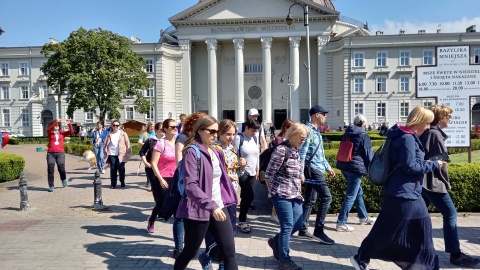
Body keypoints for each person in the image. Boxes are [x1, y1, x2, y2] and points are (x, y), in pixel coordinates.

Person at [351, 106, 447, 270]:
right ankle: (361, 257)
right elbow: (410, 167)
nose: (428, 127)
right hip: (402, 194)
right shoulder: (406, 138)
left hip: (409, 192)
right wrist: (433, 165)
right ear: (420, 121)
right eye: (427, 123)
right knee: (387, 231)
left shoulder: (404, 135)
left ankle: (426, 266)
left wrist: (428, 164)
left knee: (422, 227)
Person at [174, 115, 238, 270]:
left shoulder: (217, 152)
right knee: (190, 251)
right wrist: (211, 206)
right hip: (198, 209)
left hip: (218, 207)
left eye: (216, 132)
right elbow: (191, 186)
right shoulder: (191, 152)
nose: (215, 135)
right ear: (200, 131)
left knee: (229, 252)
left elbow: (218, 178)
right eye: (211, 131)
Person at [420, 105, 480, 268]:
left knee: (418, 216)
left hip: (425, 182)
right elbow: (440, 162)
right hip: (433, 182)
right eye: (448, 116)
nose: (450, 119)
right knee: (450, 214)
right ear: (440, 118)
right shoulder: (434, 134)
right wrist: (445, 183)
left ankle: (412, 249)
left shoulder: (430, 132)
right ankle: (455, 254)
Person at [199, 119, 246, 270]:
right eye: (227, 134)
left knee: (229, 232)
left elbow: (237, 172)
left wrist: (241, 166)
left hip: (231, 193)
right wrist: (225, 175)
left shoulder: (231, 149)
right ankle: (207, 257)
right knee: (214, 232)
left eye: (233, 134)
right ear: (219, 133)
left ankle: (221, 263)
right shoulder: (214, 149)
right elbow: (209, 174)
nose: (231, 137)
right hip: (217, 196)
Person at [265, 123, 308, 270]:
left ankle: (275, 241)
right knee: (287, 226)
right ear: (292, 135)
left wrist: (299, 177)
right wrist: (272, 194)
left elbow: (295, 170)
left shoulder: (295, 149)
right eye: (301, 137)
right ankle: (284, 260)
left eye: (305, 138)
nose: (303, 140)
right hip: (281, 194)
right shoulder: (281, 150)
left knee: (298, 223)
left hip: (295, 193)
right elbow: (268, 174)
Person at [298, 105, 336, 245]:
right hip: (312, 169)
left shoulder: (317, 132)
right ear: (316, 115)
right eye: (324, 114)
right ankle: (319, 231)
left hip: (317, 168)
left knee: (310, 199)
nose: (325, 117)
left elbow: (320, 154)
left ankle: (303, 228)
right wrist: (300, 173)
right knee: (327, 197)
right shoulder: (308, 131)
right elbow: (302, 154)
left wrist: (328, 167)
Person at [172, 112, 206, 258]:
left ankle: (190, 244)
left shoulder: (204, 139)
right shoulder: (183, 137)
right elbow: (179, 160)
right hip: (185, 180)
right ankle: (179, 247)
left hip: (201, 182)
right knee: (180, 215)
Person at [335, 114, 375, 232]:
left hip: (344, 166)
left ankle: (363, 217)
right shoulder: (364, 135)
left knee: (357, 192)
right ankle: (341, 223)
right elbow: (369, 155)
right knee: (351, 195)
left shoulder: (346, 133)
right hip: (355, 169)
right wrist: (372, 169)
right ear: (363, 123)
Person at [146, 119, 177, 234]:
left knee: (178, 205)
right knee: (161, 203)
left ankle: (180, 232)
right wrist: (160, 179)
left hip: (176, 177)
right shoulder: (160, 144)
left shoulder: (178, 144)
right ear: (165, 130)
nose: (175, 129)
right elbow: (154, 163)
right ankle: (151, 220)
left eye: (176, 127)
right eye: (172, 127)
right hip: (162, 177)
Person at [232, 119, 261, 234]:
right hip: (242, 171)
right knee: (249, 195)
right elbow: (233, 154)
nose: (255, 132)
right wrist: (239, 162)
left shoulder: (254, 138)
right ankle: (242, 220)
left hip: (253, 171)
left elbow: (257, 154)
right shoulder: (239, 138)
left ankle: (241, 218)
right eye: (253, 130)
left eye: (256, 130)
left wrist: (258, 168)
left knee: (245, 196)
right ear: (247, 128)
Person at [267, 118, 294, 223]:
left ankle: (275, 214)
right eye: (289, 127)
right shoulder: (279, 139)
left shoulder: (291, 139)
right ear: (285, 127)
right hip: (277, 171)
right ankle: (274, 215)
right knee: (277, 194)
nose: (290, 129)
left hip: (286, 171)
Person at [46, 119, 74, 192]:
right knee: (50, 169)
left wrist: (69, 124)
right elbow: (48, 128)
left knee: (61, 168)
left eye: (58, 125)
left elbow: (71, 131)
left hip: (60, 153)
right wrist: (56, 121)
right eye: (56, 125)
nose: (57, 126)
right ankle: (51, 185)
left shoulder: (62, 133)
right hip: (51, 153)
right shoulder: (50, 132)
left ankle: (63, 179)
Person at [103, 119, 131, 189]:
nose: (115, 126)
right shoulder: (109, 134)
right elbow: (105, 143)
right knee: (113, 169)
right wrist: (105, 151)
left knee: (121, 168)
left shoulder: (123, 133)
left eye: (117, 125)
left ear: (119, 126)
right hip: (112, 154)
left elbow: (127, 143)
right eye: (114, 125)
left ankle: (122, 181)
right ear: (112, 126)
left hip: (121, 154)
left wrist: (128, 152)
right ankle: (113, 183)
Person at [138, 121, 157, 187]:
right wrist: (147, 145)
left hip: (154, 152)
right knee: (148, 166)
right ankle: (148, 180)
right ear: (148, 127)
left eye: (154, 126)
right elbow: (139, 142)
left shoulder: (156, 134)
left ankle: (153, 181)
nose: (152, 128)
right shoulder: (144, 134)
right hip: (146, 152)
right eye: (151, 126)